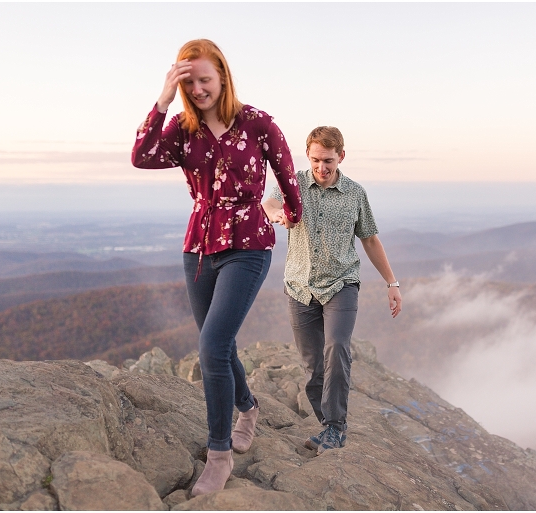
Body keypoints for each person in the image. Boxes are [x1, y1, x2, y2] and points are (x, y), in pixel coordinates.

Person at [131, 39, 302, 495]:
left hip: (248, 245)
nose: (199, 89)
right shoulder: (183, 129)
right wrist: (163, 100)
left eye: (205, 79)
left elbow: (287, 175)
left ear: (223, 75)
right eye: (189, 82)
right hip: (200, 247)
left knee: (212, 345)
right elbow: (142, 157)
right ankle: (249, 408)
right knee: (217, 345)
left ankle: (219, 454)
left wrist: (292, 214)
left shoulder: (257, 123)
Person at [262, 126, 402, 455]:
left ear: (341, 155)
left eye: (327, 160)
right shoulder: (292, 183)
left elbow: (369, 238)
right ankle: (327, 422)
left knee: (336, 346)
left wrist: (392, 283)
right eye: (315, 160)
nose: (321, 168)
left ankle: (335, 427)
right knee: (313, 365)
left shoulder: (355, 193)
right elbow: (267, 204)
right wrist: (278, 214)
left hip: (341, 283)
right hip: (299, 286)